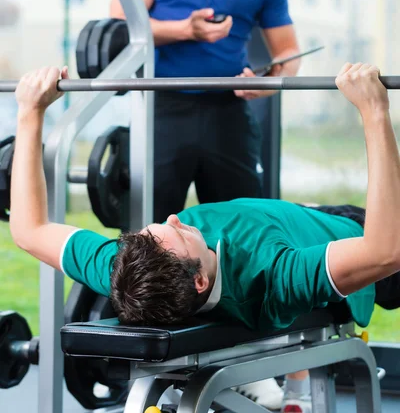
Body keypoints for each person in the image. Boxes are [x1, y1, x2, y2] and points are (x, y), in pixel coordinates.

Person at [10, 63, 400, 413]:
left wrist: (30, 113)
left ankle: (267, 383)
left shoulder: (128, 265)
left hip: (300, 214)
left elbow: (29, 231)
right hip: (361, 235)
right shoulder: (275, 278)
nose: (176, 217)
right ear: (199, 279)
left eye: (160, 225)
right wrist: (373, 110)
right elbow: (386, 249)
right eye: (176, 233)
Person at [110, 0, 301, 225]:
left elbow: (289, 51)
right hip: (160, 106)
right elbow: (121, 28)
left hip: (227, 112)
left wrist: (269, 83)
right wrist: (185, 29)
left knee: (244, 229)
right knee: (148, 233)